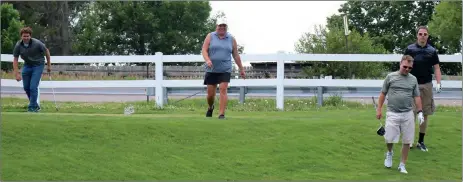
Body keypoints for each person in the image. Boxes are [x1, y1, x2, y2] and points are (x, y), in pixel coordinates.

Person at [376, 55, 424, 174]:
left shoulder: (413, 79)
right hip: (392, 112)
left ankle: (402, 165)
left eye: (410, 68)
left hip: (408, 113)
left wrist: (420, 112)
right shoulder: (390, 77)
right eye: (405, 67)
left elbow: (417, 96)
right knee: (389, 138)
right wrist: (379, 109)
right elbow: (383, 94)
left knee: (407, 141)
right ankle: (390, 153)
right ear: (400, 64)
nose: (407, 69)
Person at [403, 26, 442, 152]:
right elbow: (404, 65)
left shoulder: (432, 51)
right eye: (420, 34)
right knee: (411, 113)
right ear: (417, 35)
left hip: (426, 85)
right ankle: (409, 141)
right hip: (411, 84)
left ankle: (421, 141)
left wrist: (438, 82)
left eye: (425, 34)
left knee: (424, 114)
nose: (423, 36)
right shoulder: (410, 49)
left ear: (428, 36)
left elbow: (436, 68)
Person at [201, 18, 245, 119]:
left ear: (226, 27)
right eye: (220, 26)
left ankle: (221, 114)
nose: (222, 28)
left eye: (224, 26)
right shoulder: (210, 36)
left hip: (225, 69)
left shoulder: (231, 39)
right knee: (210, 95)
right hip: (211, 69)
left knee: (223, 89)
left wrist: (241, 69)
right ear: (216, 26)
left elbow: (236, 55)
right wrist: (207, 60)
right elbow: (204, 50)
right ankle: (210, 107)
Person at [12, 27, 51, 112]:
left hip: (38, 65)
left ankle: (32, 108)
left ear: (30, 36)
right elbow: (15, 59)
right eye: (24, 36)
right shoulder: (18, 45)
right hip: (27, 65)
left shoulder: (37, 43)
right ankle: (35, 105)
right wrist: (16, 73)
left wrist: (49, 65)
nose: (26, 38)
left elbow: (47, 51)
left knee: (33, 87)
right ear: (21, 36)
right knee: (26, 87)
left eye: (27, 36)